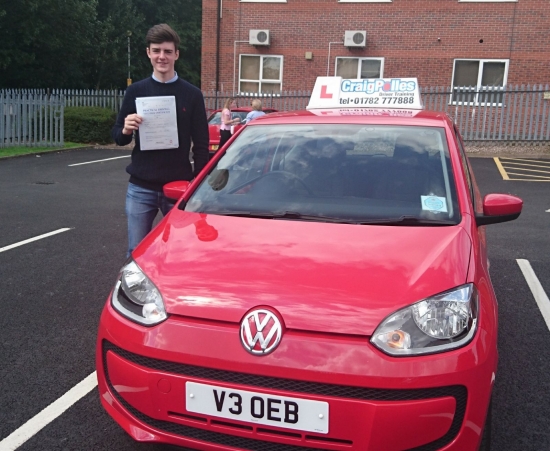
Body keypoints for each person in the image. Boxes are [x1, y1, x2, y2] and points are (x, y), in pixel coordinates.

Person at [112, 23, 209, 257]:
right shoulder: (135, 91)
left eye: (167, 51)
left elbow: (202, 142)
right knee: (136, 252)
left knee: (179, 252)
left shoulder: (192, 94)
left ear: (176, 54)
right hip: (141, 186)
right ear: (148, 53)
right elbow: (118, 138)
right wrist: (125, 129)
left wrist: (197, 181)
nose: (161, 57)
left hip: (178, 187)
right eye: (156, 51)